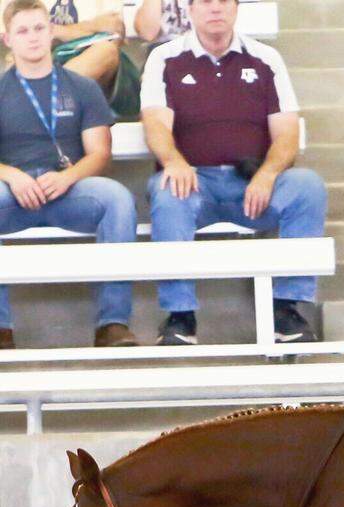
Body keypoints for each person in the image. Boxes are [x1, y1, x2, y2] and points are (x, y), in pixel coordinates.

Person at [140, 0, 326, 345]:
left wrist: (268, 173)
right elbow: (155, 124)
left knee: (307, 186)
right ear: (190, 10)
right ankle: (180, 316)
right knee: (168, 193)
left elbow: (287, 132)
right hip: (194, 182)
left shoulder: (265, 58)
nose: (216, 8)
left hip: (251, 185)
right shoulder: (164, 58)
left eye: (224, 1)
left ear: (237, 8)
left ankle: (287, 310)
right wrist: (174, 161)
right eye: (206, 2)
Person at [0, 0, 137, 348]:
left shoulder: (81, 87)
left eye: (39, 28)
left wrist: (68, 177)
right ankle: (1, 328)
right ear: (7, 39)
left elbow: (99, 153)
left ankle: (113, 324)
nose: (32, 37)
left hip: (70, 191)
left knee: (117, 198)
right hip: (14, 193)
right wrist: (12, 176)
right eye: (22, 31)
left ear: (51, 33)